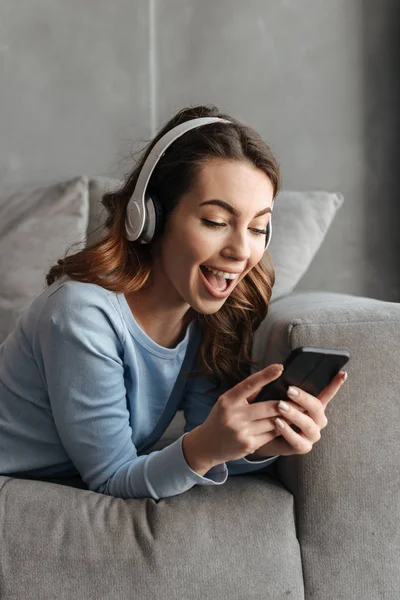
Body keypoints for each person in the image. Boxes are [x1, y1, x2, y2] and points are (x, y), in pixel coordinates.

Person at [0, 105, 347, 500]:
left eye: (257, 228)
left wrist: (261, 440)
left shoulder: (204, 317)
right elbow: (113, 477)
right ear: (149, 217)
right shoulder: (81, 315)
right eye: (216, 222)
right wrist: (205, 448)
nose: (240, 250)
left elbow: (206, 443)